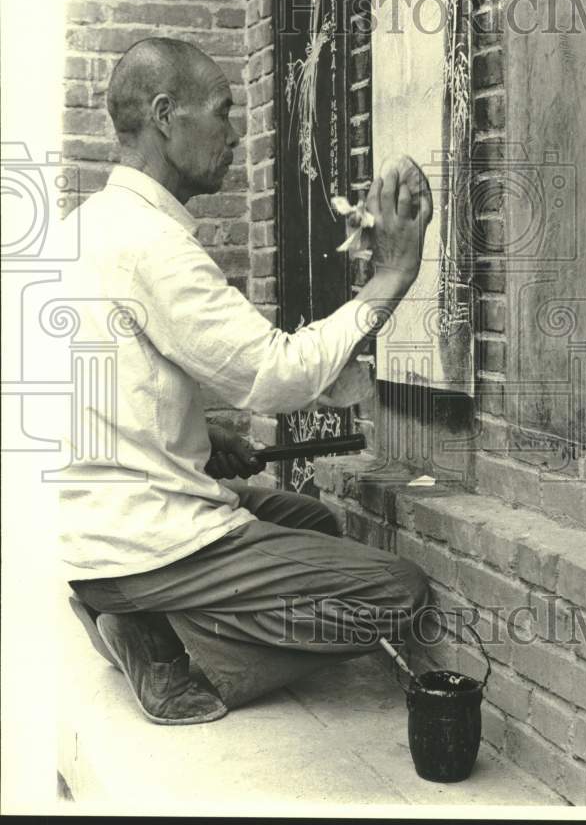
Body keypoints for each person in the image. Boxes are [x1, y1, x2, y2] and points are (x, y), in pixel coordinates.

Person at [62, 37, 433, 725]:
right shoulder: (155, 245)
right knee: (394, 594)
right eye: (223, 112)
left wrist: (197, 430)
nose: (233, 136)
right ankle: (183, 654)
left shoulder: (82, 228)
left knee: (314, 519)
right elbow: (276, 376)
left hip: (91, 531)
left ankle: (137, 618)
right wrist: (392, 276)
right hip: (147, 540)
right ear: (166, 115)